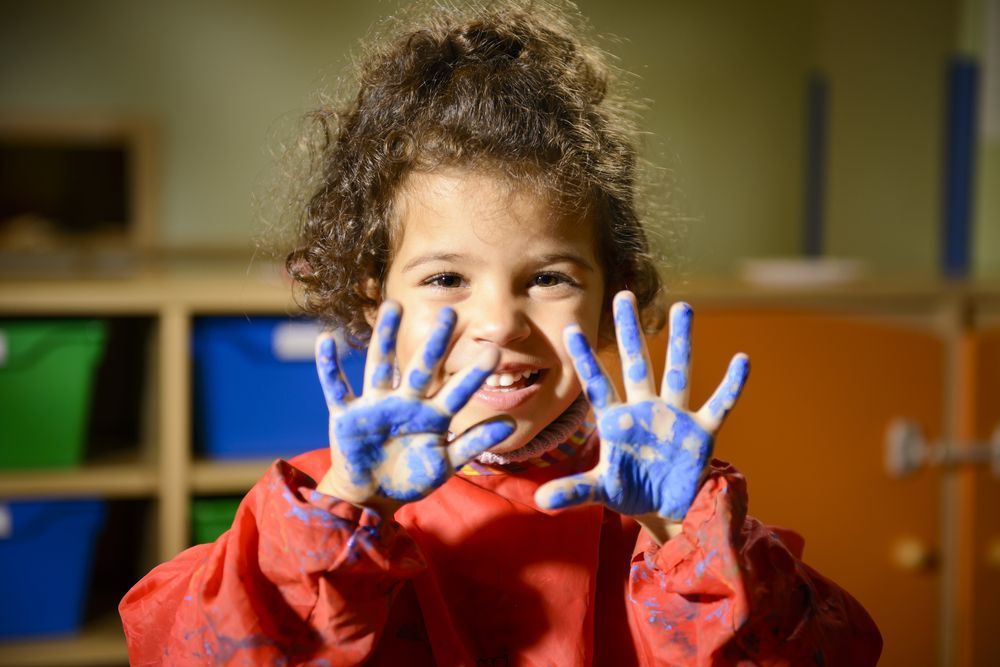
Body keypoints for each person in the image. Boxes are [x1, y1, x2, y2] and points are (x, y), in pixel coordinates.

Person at [119, 2, 882, 664]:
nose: (498, 324)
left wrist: (690, 533)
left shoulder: (661, 504)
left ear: (610, 294)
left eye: (547, 277)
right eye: (446, 278)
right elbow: (190, 648)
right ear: (374, 294)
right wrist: (349, 510)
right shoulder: (322, 509)